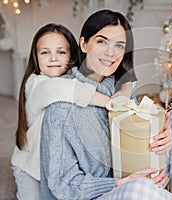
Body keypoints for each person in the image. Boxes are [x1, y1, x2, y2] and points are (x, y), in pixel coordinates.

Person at [40, 10, 172, 200]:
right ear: (83, 44)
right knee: (138, 189)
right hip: (95, 194)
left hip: (133, 179)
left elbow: (135, 139)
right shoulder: (61, 108)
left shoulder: (117, 89)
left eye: (119, 45)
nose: (111, 52)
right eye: (101, 41)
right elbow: (63, 185)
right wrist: (122, 183)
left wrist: (163, 136)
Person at [11, 23, 133, 200]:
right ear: (35, 58)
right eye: (45, 52)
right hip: (30, 166)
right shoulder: (36, 83)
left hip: (56, 164)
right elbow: (61, 89)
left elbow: (123, 81)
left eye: (61, 52)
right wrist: (108, 102)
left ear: (72, 55)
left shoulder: (71, 77)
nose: (53, 58)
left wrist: (123, 91)